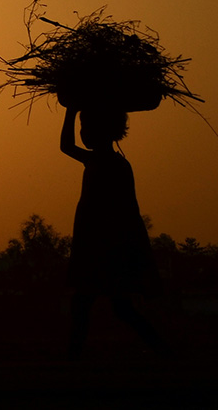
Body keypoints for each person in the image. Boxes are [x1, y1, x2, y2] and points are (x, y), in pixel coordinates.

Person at [59, 106, 166, 358]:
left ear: (101, 132)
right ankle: (162, 351)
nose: (83, 134)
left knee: (86, 303)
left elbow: (66, 146)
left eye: (86, 128)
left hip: (104, 249)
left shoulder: (105, 163)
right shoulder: (112, 163)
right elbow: (66, 146)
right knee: (116, 306)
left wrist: (71, 111)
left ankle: (74, 356)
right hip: (105, 247)